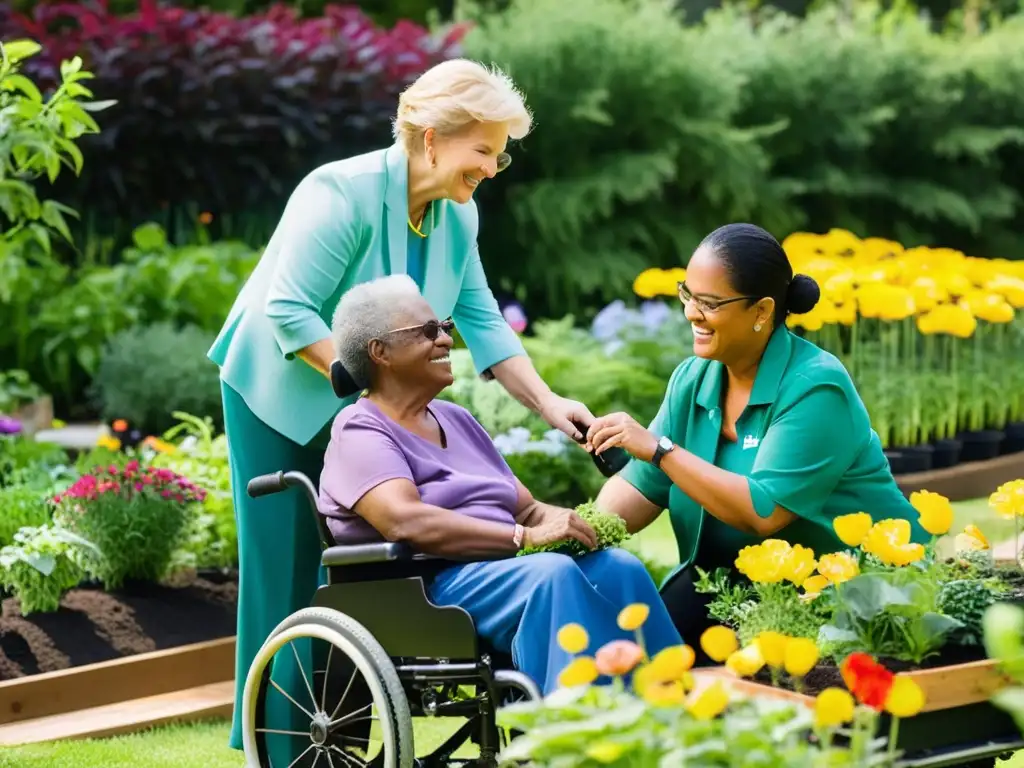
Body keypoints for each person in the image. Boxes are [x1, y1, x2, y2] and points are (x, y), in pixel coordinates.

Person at [207, 59, 596, 753]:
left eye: (502, 151)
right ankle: (281, 742)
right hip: (279, 391)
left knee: (368, 570)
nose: (496, 165)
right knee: (292, 562)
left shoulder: (457, 216)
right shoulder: (340, 193)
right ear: (430, 137)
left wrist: (547, 402)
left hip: (370, 399)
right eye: (484, 149)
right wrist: (374, 396)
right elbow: (288, 310)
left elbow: (481, 319)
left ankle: (349, 728)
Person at [319, 275, 683, 694]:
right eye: (428, 331)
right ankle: (580, 730)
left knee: (619, 569)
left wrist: (569, 523)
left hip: (501, 567)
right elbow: (405, 521)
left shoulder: (457, 419)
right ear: (379, 352)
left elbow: (526, 508)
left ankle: (673, 714)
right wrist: (524, 538)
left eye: (446, 328)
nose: (445, 341)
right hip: (428, 582)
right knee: (552, 574)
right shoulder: (360, 429)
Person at [586, 223, 929, 653]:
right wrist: (573, 533)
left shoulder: (815, 387)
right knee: (639, 657)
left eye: (709, 303)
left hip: (849, 591)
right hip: (728, 585)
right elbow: (640, 487)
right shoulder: (693, 380)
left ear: (763, 312)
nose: (692, 312)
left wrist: (660, 450)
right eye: (687, 295)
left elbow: (763, 511)